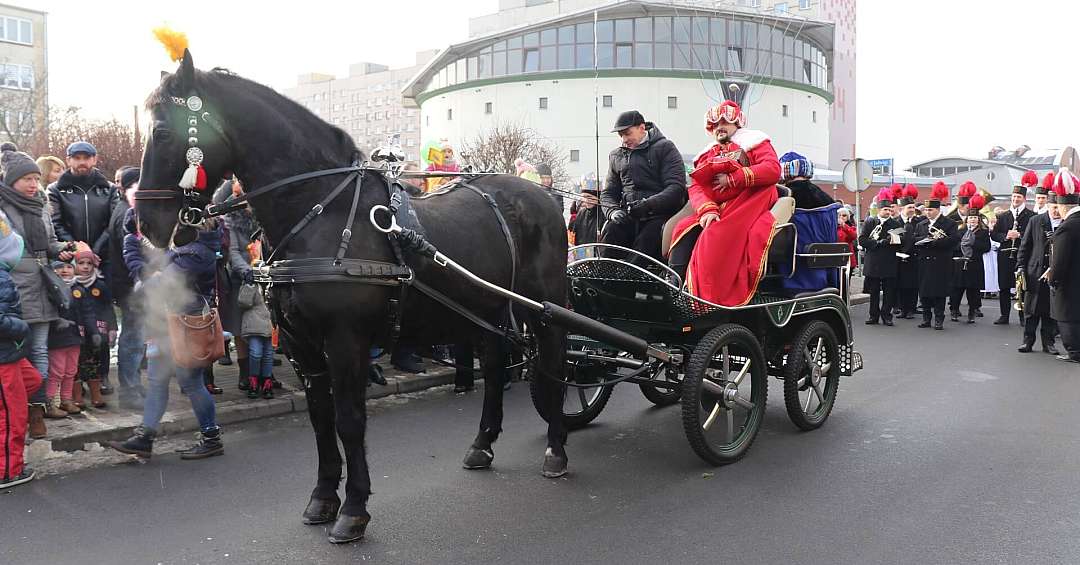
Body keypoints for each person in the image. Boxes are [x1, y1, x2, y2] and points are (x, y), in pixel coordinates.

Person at [108, 221, 226, 459]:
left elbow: (158, 284)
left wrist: (152, 275)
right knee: (157, 380)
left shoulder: (198, 252)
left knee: (190, 381)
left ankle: (211, 438)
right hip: (166, 322)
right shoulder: (187, 249)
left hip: (186, 324)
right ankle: (144, 437)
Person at [667, 101, 779, 306]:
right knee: (681, 228)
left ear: (737, 122)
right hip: (717, 206)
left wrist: (734, 178)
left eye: (725, 121)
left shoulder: (754, 142)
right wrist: (707, 209)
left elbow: (772, 169)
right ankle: (674, 285)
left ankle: (706, 300)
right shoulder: (708, 152)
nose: (720, 126)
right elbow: (697, 187)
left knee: (713, 235)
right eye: (715, 122)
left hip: (749, 201)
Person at [0, 148, 74, 438]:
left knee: (41, 349)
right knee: (18, 353)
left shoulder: (42, 204)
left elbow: (50, 242)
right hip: (13, 287)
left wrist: (64, 250)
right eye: (26, 179)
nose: (33, 184)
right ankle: (15, 411)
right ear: (12, 180)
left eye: (35, 178)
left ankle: (35, 410)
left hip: (43, 284)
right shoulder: (2, 207)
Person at [600, 110, 687, 264]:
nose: (624, 139)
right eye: (621, 135)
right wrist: (613, 211)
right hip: (628, 216)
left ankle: (629, 277)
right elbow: (608, 193)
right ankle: (603, 274)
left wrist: (648, 205)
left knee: (649, 238)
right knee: (612, 230)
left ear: (642, 128)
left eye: (628, 133)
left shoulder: (665, 148)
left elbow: (676, 188)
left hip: (658, 216)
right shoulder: (616, 156)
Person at [0, 212, 39, 489]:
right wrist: (21, 327)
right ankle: (7, 471)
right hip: (3, 355)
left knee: (33, 380)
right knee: (12, 415)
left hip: (10, 353)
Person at [109, 168, 146, 408]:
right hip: (130, 286)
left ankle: (134, 384)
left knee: (137, 336)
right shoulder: (126, 213)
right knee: (133, 338)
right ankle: (129, 390)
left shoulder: (128, 209)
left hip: (132, 285)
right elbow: (130, 255)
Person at [47, 142, 120, 260]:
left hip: (104, 256)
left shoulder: (109, 189)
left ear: (95, 159)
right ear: (68, 160)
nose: (82, 162)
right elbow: (55, 223)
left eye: (86, 158)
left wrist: (95, 250)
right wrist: (78, 248)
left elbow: (113, 223)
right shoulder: (55, 190)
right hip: (70, 257)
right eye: (77, 158)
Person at [1016, 188, 1060, 354]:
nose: (1056, 211)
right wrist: (1020, 266)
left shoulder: (1065, 223)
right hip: (1034, 272)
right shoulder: (1036, 221)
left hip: (1055, 273)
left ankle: (1048, 343)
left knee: (1051, 310)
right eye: (1053, 207)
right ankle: (1027, 341)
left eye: (1058, 207)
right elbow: (1025, 246)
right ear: (1048, 205)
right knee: (1031, 310)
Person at [990, 171, 1037, 325]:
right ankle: (1004, 315)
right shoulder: (1003, 216)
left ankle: (1023, 316)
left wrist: (1020, 235)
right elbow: (994, 234)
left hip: (1023, 256)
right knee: (1004, 286)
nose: (1015, 199)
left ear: (1024, 199)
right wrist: (1006, 236)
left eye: (1018, 197)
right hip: (1004, 255)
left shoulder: (1032, 216)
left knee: (1023, 286)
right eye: (1014, 197)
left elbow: (1035, 236)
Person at [71, 244, 115, 408]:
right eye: (81, 263)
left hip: (99, 326)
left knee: (99, 352)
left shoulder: (100, 285)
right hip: (80, 328)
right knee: (79, 356)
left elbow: (108, 307)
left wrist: (112, 328)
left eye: (89, 263)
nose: (85, 267)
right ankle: (79, 385)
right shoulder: (72, 285)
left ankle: (102, 378)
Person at [915, 182, 961, 330]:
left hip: (941, 262)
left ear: (938, 209)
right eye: (926, 210)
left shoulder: (949, 223)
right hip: (924, 262)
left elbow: (953, 240)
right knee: (924, 292)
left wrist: (935, 242)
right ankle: (926, 318)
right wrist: (923, 241)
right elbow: (914, 239)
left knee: (939, 292)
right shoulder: (921, 224)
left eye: (931, 210)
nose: (928, 212)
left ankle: (939, 319)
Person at [1048, 169, 1080, 363]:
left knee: (1067, 315)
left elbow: (1059, 260)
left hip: (1069, 282)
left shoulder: (1067, 226)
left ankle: (1074, 351)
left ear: (1063, 207)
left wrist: (1054, 279)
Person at [859, 188, 903, 325]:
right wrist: (878, 243)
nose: (888, 212)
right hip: (873, 262)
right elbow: (862, 240)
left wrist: (894, 240)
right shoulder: (870, 222)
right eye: (885, 210)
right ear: (879, 210)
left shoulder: (895, 224)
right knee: (874, 292)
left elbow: (899, 242)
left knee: (889, 292)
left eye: (889, 210)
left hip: (889, 261)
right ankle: (873, 315)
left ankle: (887, 315)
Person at [45, 260, 82, 416]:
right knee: (56, 372)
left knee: (71, 370)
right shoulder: (49, 290)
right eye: (59, 267)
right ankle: (50, 402)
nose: (64, 270)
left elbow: (86, 312)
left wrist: (93, 331)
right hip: (57, 338)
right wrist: (57, 321)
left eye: (69, 266)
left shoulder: (78, 289)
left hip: (75, 337)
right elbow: (47, 310)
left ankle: (66, 400)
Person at [237, 267, 274, 399]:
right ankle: (254, 381)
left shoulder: (271, 280)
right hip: (254, 323)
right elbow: (243, 302)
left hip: (270, 322)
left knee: (268, 354)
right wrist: (249, 285)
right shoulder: (252, 281)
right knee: (256, 353)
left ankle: (267, 382)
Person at [953, 195, 991, 324]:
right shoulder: (961, 230)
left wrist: (973, 243)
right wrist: (963, 244)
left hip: (975, 264)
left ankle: (971, 312)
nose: (973, 220)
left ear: (978, 219)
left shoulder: (983, 232)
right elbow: (955, 246)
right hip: (961, 263)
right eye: (970, 218)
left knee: (973, 291)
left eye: (975, 218)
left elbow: (986, 248)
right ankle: (954, 310)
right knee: (958, 289)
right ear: (967, 220)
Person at [947, 181, 978, 320]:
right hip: (957, 260)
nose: (968, 209)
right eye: (967, 207)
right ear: (960, 206)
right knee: (956, 287)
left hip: (972, 261)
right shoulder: (951, 218)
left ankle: (974, 308)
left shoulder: (977, 221)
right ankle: (954, 308)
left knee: (972, 288)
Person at [894, 185, 924, 319]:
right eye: (909, 208)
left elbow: (922, 237)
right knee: (900, 284)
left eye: (913, 207)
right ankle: (901, 308)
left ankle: (911, 308)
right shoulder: (895, 222)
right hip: (899, 258)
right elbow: (894, 240)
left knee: (913, 284)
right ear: (902, 209)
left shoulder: (919, 222)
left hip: (914, 257)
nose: (912, 210)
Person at [570, 174, 605, 248]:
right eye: (584, 197)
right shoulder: (581, 213)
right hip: (581, 254)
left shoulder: (604, 214)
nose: (586, 200)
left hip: (598, 256)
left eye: (589, 197)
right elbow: (574, 235)